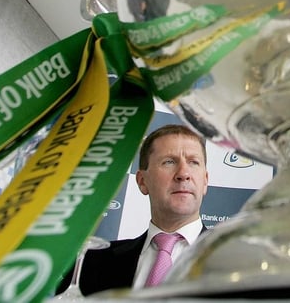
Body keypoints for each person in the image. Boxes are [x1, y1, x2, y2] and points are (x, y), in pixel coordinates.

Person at [58, 124, 210, 295]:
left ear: (205, 180)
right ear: (142, 181)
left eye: (193, 162)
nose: (183, 173)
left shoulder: (238, 264)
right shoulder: (90, 263)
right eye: (169, 162)